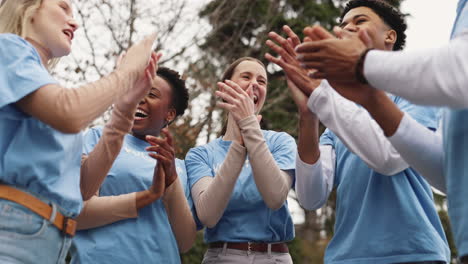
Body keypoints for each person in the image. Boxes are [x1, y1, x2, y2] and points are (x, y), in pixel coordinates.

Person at [266, 0, 450, 263]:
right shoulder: (336, 114)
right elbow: (310, 197)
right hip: (347, 257)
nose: (347, 27)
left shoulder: (413, 93)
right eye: (343, 24)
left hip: (413, 253)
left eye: (360, 21)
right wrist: (308, 115)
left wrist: (321, 93)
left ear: (389, 36)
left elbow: (388, 158)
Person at [0, 0, 157, 263]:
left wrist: (125, 107)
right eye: (63, 7)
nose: (75, 22)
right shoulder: (8, 48)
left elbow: (83, 187)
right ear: (27, 7)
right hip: (13, 232)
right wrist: (126, 73)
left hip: (53, 243)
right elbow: (68, 112)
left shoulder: (43, 87)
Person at [70, 66, 196, 264]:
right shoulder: (100, 137)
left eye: (151, 94)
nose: (141, 98)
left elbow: (185, 242)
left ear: (169, 114)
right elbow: (76, 213)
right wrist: (145, 197)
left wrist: (171, 180)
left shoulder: (180, 168)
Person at [185, 57, 297, 264]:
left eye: (262, 81)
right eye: (246, 76)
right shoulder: (201, 155)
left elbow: (275, 197)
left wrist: (250, 128)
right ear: (226, 87)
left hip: (275, 257)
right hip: (222, 256)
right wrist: (238, 147)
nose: (255, 83)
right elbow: (208, 215)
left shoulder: (281, 142)